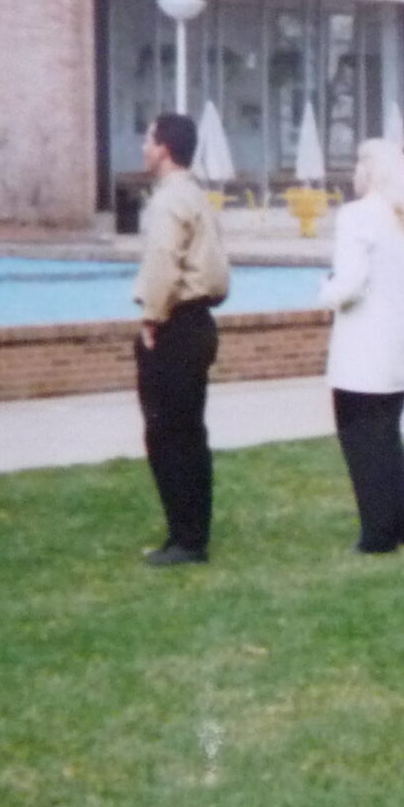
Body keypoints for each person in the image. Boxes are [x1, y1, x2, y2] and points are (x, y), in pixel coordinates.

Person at [127, 112, 230, 566]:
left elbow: (163, 262)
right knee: (189, 432)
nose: (144, 149)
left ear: (164, 148)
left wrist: (151, 318)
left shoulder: (169, 201)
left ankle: (186, 539)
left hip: (176, 325)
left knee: (169, 434)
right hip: (197, 322)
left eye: (148, 140)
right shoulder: (196, 196)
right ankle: (188, 533)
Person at [320, 138, 404, 554]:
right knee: (386, 436)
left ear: (370, 170)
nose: (353, 176)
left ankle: (377, 534)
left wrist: (325, 291)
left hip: (364, 347)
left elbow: (349, 283)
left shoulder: (357, 216)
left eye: (357, 167)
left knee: (360, 438)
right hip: (401, 343)